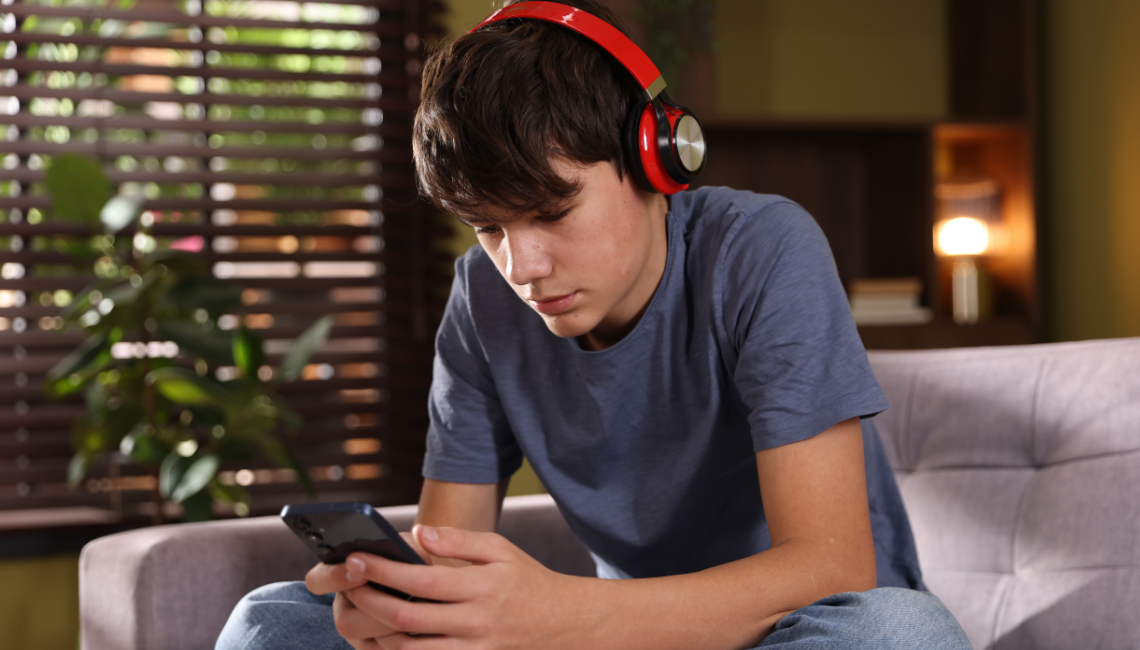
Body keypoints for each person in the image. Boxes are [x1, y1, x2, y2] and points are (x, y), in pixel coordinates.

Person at [216, 1, 971, 648]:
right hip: (611, 634)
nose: (524, 266)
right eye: (488, 227)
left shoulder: (764, 248)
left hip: (787, 630)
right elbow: (453, 554)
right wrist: (404, 609)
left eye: (551, 213)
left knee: (899, 633)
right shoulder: (483, 296)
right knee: (271, 622)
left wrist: (555, 613)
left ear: (655, 160)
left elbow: (833, 569)